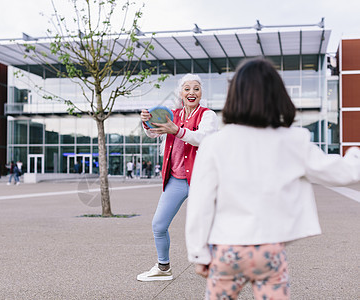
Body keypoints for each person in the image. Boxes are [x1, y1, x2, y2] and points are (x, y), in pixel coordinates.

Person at [185, 58, 360, 300]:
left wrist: (198, 253)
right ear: (278, 96)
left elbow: (200, 203)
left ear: (234, 97)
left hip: (227, 248)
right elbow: (338, 172)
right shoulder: (292, 140)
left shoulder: (214, 143)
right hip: (269, 248)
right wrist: (355, 156)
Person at [137, 74, 219, 281]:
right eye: (187, 89)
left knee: (212, 226)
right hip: (176, 179)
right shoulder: (172, 114)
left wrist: (178, 131)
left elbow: (203, 138)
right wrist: (147, 121)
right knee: (159, 225)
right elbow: (154, 132)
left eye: (196, 88)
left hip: (202, 179)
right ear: (180, 93)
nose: (192, 92)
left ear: (201, 93)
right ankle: (163, 268)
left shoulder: (208, 115)